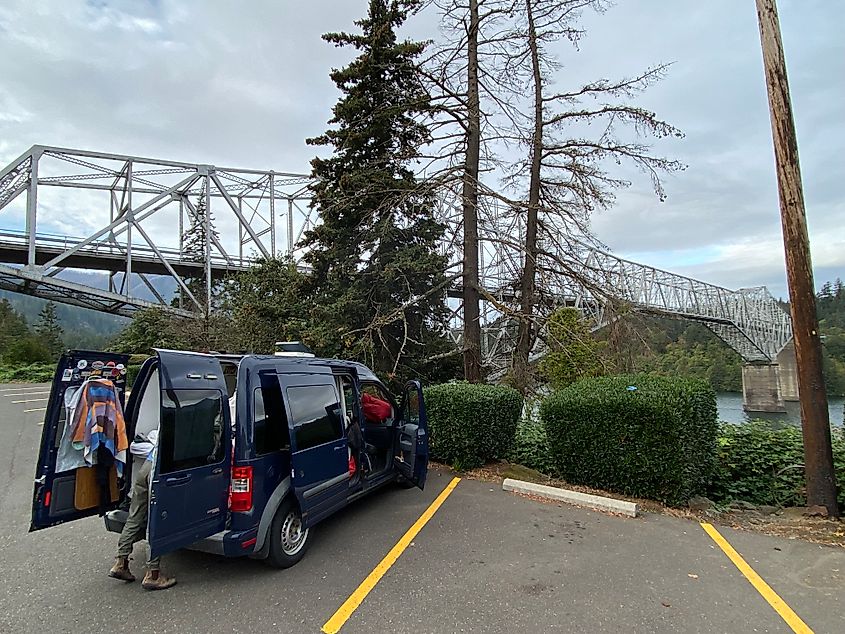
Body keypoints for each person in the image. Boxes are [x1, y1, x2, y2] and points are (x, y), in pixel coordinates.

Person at [108, 429, 177, 590]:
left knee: (134, 517)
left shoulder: (168, 416)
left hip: (147, 465)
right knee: (157, 520)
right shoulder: (189, 422)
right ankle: (153, 573)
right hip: (158, 470)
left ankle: (121, 562)